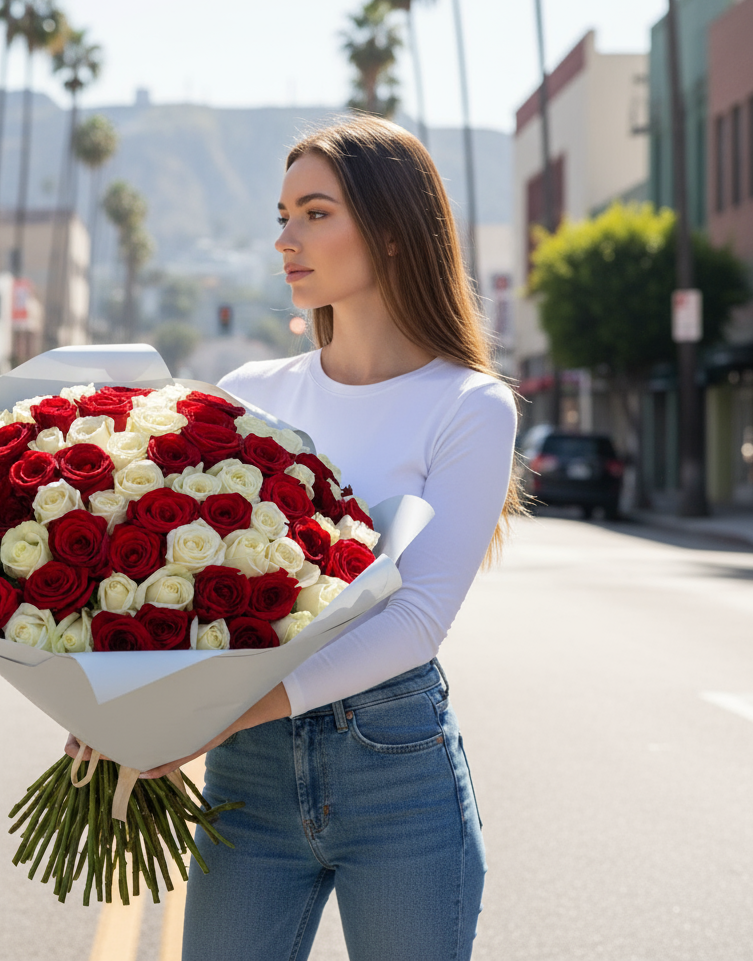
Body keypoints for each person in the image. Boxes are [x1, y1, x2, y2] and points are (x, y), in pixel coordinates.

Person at [69, 115, 520, 960]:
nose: (285, 239)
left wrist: (211, 719)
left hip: (396, 774)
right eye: (282, 215)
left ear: (390, 232)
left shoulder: (469, 404)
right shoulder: (249, 390)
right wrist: (110, 694)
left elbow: (416, 618)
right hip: (250, 780)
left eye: (314, 213)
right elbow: (180, 574)